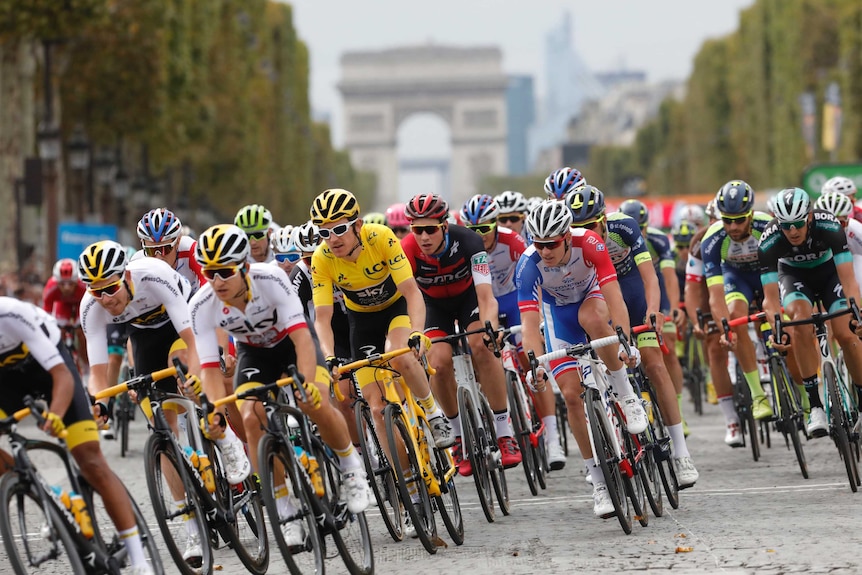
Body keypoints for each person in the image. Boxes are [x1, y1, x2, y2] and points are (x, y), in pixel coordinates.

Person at [189, 224, 370, 545]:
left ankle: (350, 467)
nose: (216, 282)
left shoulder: (271, 280)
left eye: (225, 272)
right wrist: (215, 411)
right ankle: (285, 509)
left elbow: (302, 338)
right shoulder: (202, 304)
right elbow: (210, 370)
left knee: (313, 401)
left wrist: (307, 383)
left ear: (244, 267)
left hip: (292, 343)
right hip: (254, 353)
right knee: (249, 416)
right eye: (209, 272)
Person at [0, 297, 156, 574]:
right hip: (5, 384)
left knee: (89, 459)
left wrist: (56, 415)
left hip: (50, 372)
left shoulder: (12, 315)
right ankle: (35, 484)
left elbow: (62, 376)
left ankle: (139, 559)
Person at [516, 200, 646, 517]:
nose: (544, 251)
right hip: (559, 317)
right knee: (572, 396)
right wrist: (535, 364)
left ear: (567, 237)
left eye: (552, 244)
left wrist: (624, 340)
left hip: (593, 299)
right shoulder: (529, 264)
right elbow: (530, 325)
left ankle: (625, 394)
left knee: (592, 317)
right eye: (538, 244)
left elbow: (614, 295)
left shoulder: (589, 242)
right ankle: (599, 483)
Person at [567, 187, 698, 487]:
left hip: (631, 288)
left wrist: (654, 309)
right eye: (579, 227)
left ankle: (681, 451)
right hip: (597, 294)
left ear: (603, 219)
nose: (585, 233)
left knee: (654, 363)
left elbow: (650, 276)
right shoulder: (570, 243)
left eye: (590, 226)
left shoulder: (623, 227)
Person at [309, 189, 451, 450]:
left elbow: (411, 291)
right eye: (324, 232)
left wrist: (417, 332)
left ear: (358, 225)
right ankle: (408, 482)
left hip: (394, 309)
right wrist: (328, 356)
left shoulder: (381, 237)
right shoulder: (321, 258)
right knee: (376, 409)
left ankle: (433, 413)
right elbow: (323, 317)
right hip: (361, 321)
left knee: (399, 354)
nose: (332, 239)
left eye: (339, 229)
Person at [402, 193, 522, 475]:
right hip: (433, 306)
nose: (423, 237)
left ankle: (504, 433)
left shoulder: (469, 241)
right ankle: (457, 437)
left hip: (469, 298)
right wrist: (413, 333)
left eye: (430, 229)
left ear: (444, 226)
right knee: (439, 361)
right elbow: (407, 300)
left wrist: (489, 325)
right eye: (417, 230)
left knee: (481, 344)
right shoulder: (406, 249)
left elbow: (485, 295)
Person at [461, 194, 565, 470]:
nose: (478, 235)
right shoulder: (465, 246)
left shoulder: (512, 241)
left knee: (530, 361)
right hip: (483, 304)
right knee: (480, 355)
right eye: (473, 230)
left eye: (484, 229)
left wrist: (538, 315)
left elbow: (535, 275)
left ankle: (553, 437)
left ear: (495, 225)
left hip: (514, 300)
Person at [760, 188, 862, 437]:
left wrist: (857, 313)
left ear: (809, 217)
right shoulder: (770, 240)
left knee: (846, 334)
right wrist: (777, 327)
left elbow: (849, 281)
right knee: (798, 323)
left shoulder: (829, 225)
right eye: (786, 225)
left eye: (797, 223)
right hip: (794, 277)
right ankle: (815, 405)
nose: (792, 231)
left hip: (829, 274)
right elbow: (770, 300)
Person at [700, 181, 775, 422]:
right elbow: (715, 294)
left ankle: (806, 402)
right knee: (735, 319)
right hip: (736, 277)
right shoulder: (712, 239)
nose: (733, 226)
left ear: (751, 214)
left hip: (767, 273)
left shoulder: (767, 227)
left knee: (781, 321)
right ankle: (758, 396)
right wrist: (726, 328)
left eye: (740, 220)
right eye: (727, 220)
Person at [620, 199, 690, 434]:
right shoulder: (614, 238)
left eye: (644, 228)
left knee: (667, 345)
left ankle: (676, 409)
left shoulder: (659, 240)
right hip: (625, 294)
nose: (641, 233)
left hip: (655, 293)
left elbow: (668, 277)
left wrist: (673, 309)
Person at [42, 258, 88, 370]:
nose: (67, 288)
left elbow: (89, 308)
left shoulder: (83, 286)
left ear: (76, 281)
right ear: (57, 281)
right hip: (62, 306)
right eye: (62, 284)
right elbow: (46, 313)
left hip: (80, 305)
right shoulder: (51, 287)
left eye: (70, 284)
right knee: (59, 333)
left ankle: (86, 363)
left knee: (81, 333)